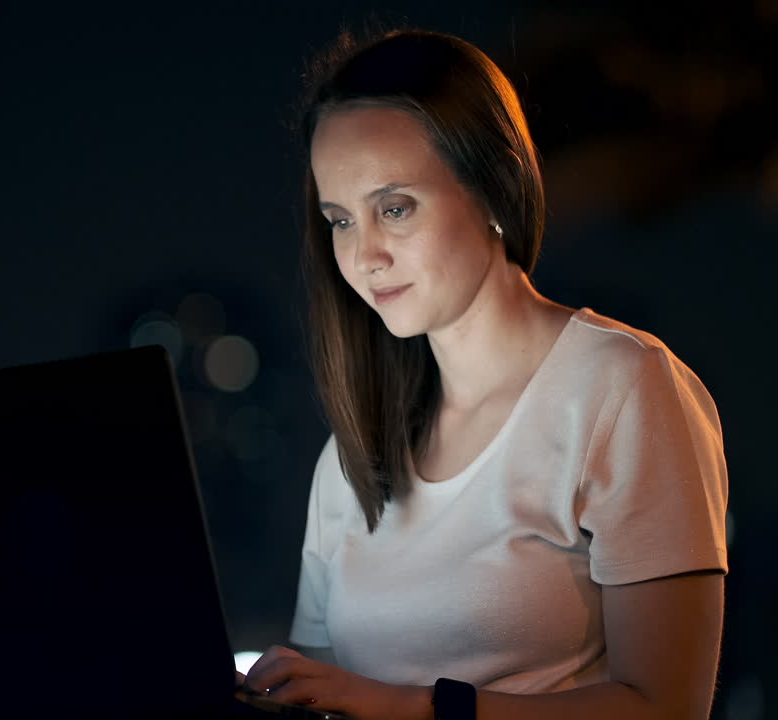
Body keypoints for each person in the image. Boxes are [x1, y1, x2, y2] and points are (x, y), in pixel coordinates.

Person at [239, 29, 729, 720]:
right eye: (340, 220)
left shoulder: (620, 388)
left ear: (494, 188)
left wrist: (411, 707)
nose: (365, 253)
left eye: (395, 208)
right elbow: (321, 690)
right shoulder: (352, 457)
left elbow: (667, 707)